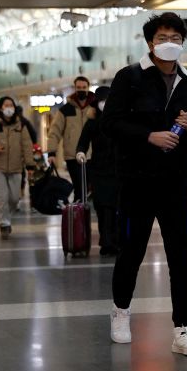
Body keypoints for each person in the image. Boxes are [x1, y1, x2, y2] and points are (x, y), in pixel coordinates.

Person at [101, 12, 187, 356]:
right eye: (163, 37)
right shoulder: (129, 78)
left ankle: (183, 328)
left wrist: (185, 129)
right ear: (149, 42)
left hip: (174, 184)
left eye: (176, 38)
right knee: (132, 250)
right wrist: (149, 136)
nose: (170, 44)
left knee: (182, 256)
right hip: (136, 182)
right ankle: (120, 311)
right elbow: (111, 124)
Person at [0, 97, 35, 239]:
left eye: (11, 105)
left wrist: (30, 165)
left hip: (16, 167)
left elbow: (27, 147)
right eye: (6, 105)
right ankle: (4, 223)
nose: (9, 107)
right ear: (0, 108)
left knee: (15, 198)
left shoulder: (21, 126)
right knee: (2, 197)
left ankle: (5, 217)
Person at [75, 86, 119, 256]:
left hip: (117, 170)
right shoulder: (92, 122)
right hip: (99, 171)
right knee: (103, 208)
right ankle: (106, 241)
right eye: (101, 101)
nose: (104, 104)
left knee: (116, 207)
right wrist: (80, 152)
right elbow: (83, 142)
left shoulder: (119, 120)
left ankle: (115, 240)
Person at [47, 76, 95, 201]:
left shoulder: (94, 108)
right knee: (79, 188)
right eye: (78, 87)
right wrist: (51, 152)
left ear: (88, 88)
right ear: (74, 88)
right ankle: (78, 214)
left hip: (93, 155)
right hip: (73, 156)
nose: (81, 90)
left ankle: (87, 211)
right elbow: (54, 131)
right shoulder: (65, 110)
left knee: (91, 187)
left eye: (84, 87)